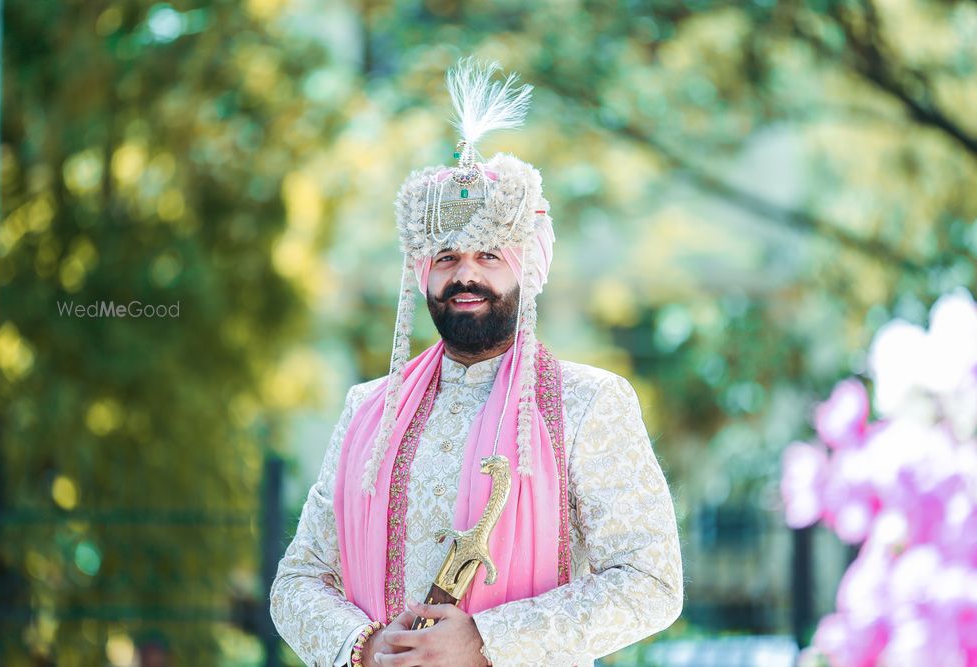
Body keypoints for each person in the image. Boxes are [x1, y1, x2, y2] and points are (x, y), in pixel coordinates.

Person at [269, 57, 683, 667]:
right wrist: (366, 645)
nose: (465, 274)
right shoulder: (368, 410)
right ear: (421, 274)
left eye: (489, 255)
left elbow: (651, 582)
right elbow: (298, 580)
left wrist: (487, 642)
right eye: (446, 257)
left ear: (527, 267)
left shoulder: (588, 403)